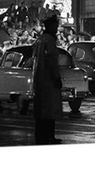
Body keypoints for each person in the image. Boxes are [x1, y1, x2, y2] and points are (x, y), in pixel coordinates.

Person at [32, 14, 63, 145]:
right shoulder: (49, 41)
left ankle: (40, 135)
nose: (56, 28)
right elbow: (51, 61)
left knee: (41, 110)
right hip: (48, 81)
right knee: (50, 110)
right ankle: (49, 136)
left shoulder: (39, 40)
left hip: (39, 80)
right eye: (55, 25)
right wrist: (56, 77)